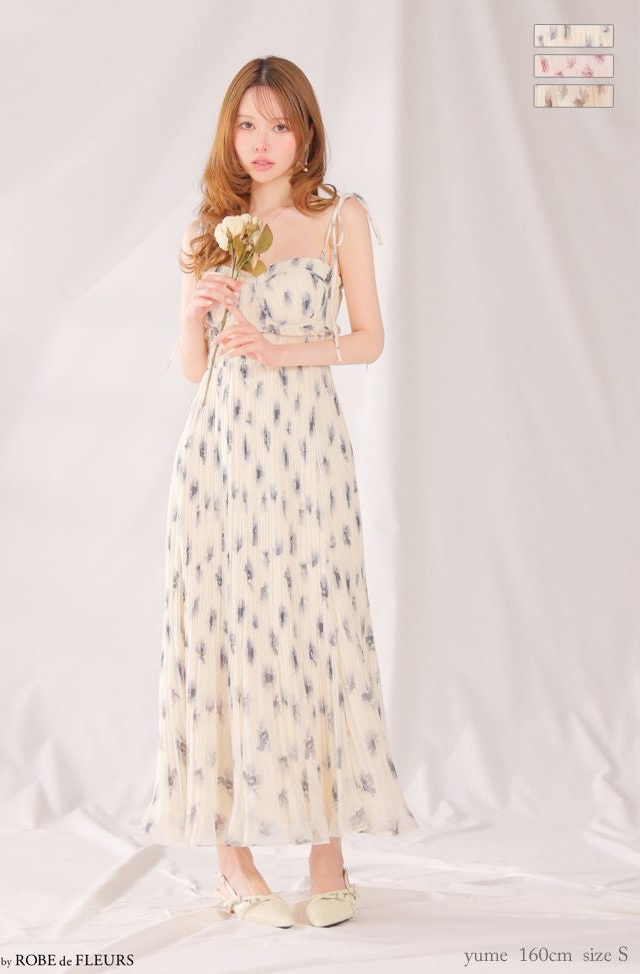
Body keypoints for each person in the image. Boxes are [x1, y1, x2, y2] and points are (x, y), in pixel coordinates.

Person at [140, 55, 419, 928]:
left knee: (316, 628)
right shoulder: (211, 226)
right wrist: (195, 310)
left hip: (306, 452)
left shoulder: (340, 218)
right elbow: (194, 369)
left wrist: (284, 349)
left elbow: (369, 339)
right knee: (228, 633)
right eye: (247, 125)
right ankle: (233, 862)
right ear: (230, 132)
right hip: (221, 454)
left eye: (280, 125)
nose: (262, 143)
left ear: (306, 132)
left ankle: (328, 853)